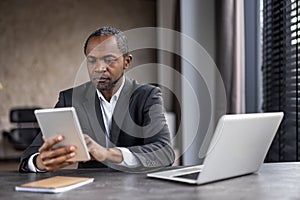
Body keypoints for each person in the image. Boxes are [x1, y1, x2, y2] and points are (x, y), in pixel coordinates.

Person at [19, 26, 175, 173]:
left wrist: (108, 154)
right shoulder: (70, 99)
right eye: (92, 60)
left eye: (108, 60)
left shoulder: (147, 96)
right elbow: (28, 157)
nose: (99, 68)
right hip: (88, 189)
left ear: (126, 61)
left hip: (137, 189)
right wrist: (40, 162)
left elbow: (165, 153)